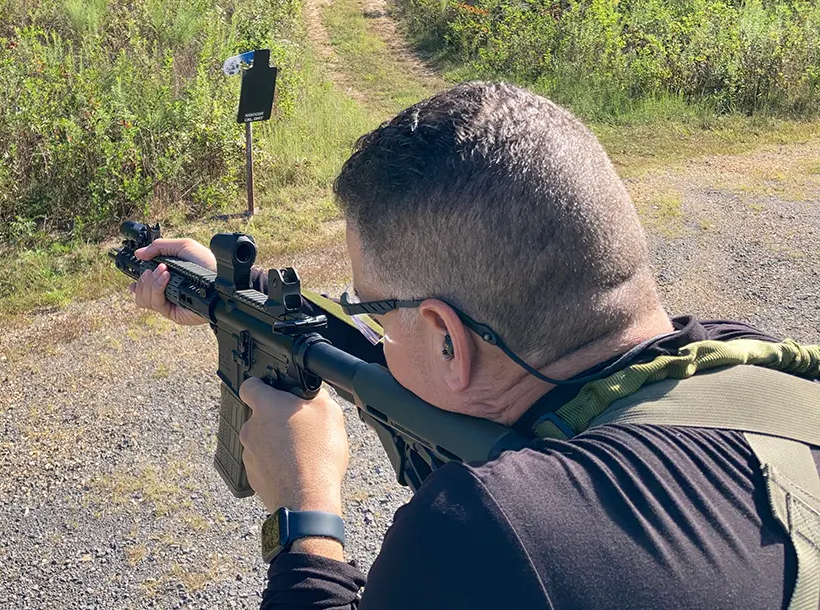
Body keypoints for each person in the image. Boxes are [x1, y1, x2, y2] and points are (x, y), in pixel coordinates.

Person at [129, 82, 819, 609]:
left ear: (449, 341)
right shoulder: (763, 372)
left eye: (373, 308)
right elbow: (383, 356)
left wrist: (305, 512)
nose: (369, 325)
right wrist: (236, 292)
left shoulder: (494, 535)